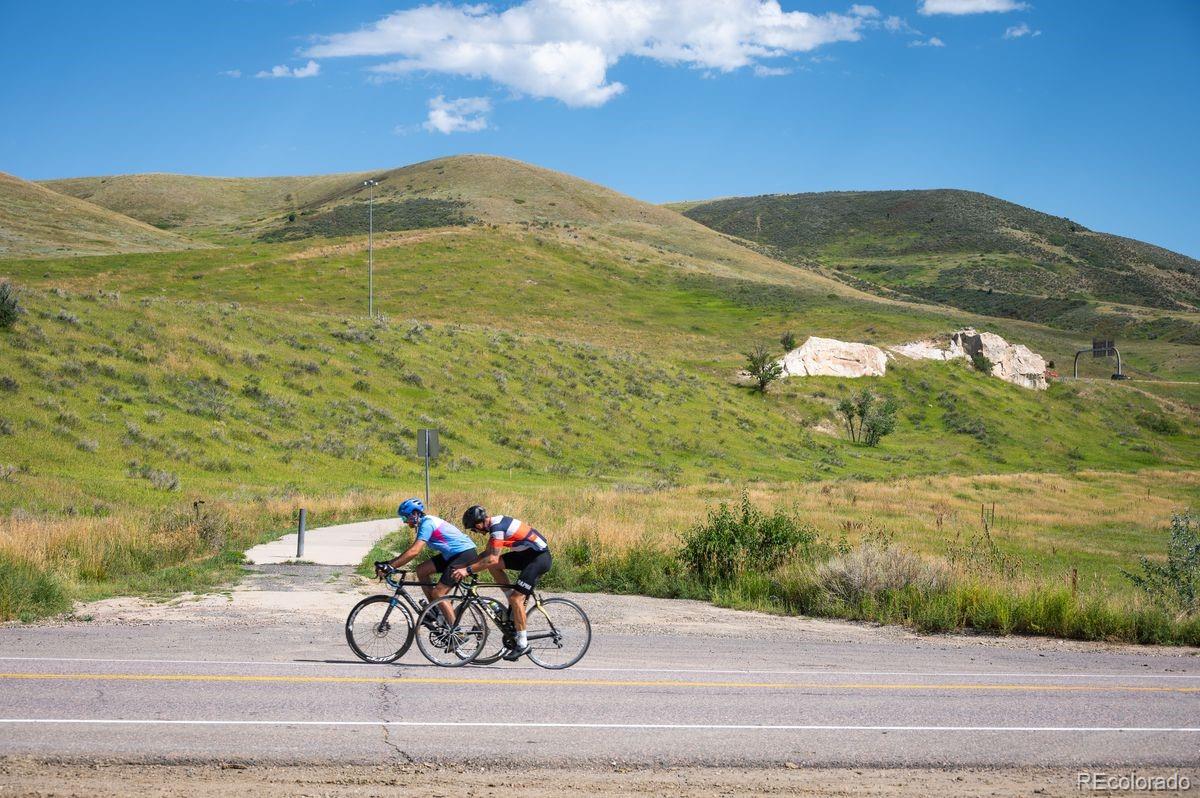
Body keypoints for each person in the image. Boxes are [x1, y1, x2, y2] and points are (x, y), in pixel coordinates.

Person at [452, 505, 552, 661]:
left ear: (478, 524)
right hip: (527, 555)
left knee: (516, 598)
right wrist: (465, 566)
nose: (476, 532)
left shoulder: (497, 528)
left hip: (539, 559)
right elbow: (487, 554)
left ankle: (523, 644)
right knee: (495, 568)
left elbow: (491, 558)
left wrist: (468, 571)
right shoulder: (494, 526)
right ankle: (511, 602)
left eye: (473, 529)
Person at [375, 498, 477, 612]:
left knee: (438, 593)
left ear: (415, 513)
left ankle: (454, 629)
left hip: (464, 554)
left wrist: (391, 566)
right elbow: (412, 550)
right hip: (453, 554)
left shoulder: (427, 524)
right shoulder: (424, 523)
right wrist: (389, 563)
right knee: (421, 570)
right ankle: (435, 610)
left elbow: (414, 551)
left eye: (404, 517)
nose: (404, 521)